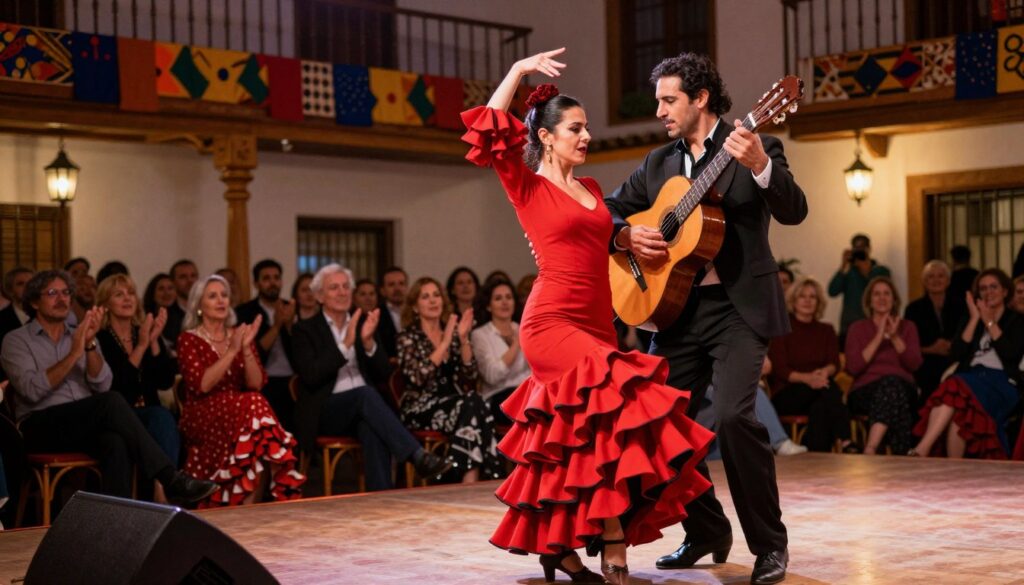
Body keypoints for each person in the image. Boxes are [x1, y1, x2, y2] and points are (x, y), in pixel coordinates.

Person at [464, 49, 716, 585]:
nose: (586, 137)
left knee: (580, 443)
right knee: (618, 404)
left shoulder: (595, 192)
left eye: (586, 129)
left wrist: (630, 238)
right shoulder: (526, 184)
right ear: (548, 137)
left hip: (598, 321)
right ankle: (613, 540)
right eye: (575, 129)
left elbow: (607, 239)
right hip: (551, 324)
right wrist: (515, 74)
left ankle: (558, 550)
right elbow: (489, 130)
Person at [603, 52, 805, 584]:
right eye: (658, 101)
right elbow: (608, 208)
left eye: (669, 100)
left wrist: (761, 163)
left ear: (701, 99)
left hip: (738, 309)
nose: (661, 110)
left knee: (737, 418)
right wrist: (625, 235)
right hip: (676, 312)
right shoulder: (658, 163)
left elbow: (794, 209)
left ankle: (770, 546)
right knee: (656, 425)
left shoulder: (754, 145)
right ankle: (708, 529)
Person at [0, 270, 216, 504]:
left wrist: (90, 345)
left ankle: (116, 522)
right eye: (52, 293)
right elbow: (31, 390)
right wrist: (74, 353)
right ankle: (170, 478)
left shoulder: (83, 334)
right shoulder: (16, 340)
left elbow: (102, 383)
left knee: (116, 441)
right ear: (33, 301)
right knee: (112, 402)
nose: (62, 299)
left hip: (82, 422)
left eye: (66, 293)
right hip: (40, 424)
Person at [291, 264, 451, 491]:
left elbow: (385, 374)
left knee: (371, 425)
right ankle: (417, 456)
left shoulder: (364, 322)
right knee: (366, 395)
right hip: (326, 410)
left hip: (364, 409)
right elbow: (311, 375)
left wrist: (368, 344)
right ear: (319, 296)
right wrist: (345, 345)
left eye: (346, 286)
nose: (342, 292)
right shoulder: (304, 330)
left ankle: (381, 496)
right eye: (334, 288)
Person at [177, 275, 304, 506]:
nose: (221, 300)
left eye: (224, 295)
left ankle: (249, 506)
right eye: (212, 296)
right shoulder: (189, 339)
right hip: (203, 412)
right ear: (198, 305)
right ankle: (276, 476)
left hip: (240, 412)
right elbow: (202, 385)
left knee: (255, 411)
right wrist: (231, 351)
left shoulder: (238, 335)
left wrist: (245, 348)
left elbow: (255, 383)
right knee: (255, 411)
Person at [396, 277, 503, 483]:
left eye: (436, 295)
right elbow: (417, 377)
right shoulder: (407, 337)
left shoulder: (453, 333)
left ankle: (466, 476)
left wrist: (463, 340)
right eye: (425, 297)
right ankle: (484, 476)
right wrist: (444, 342)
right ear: (415, 307)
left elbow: (470, 375)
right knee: (472, 404)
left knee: (474, 401)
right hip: (420, 407)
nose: (433, 301)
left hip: (456, 404)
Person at [911, 269, 1024, 458]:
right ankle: (953, 467)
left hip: (1002, 382)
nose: (989, 292)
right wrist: (974, 319)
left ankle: (922, 448)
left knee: (954, 385)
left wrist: (989, 322)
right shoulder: (970, 319)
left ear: (1005, 291)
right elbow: (956, 354)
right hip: (972, 378)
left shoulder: (1018, 320)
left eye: (993, 287)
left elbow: (1010, 354)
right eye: (983, 288)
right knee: (959, 412)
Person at [95, 274, 180, 500]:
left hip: (150, 412)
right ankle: (164, 489)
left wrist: (153, 342)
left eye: (131, 293)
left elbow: (165, 381)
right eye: (118, 294)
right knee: (161, 416)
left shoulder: (143, 331)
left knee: (162, 417)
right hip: (119, 416)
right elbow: (118, 390)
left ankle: (161, 489)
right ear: (105, 304)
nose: (127, 299)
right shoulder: (100, 339)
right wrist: (141, 346)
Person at [768, 277, 854, 452]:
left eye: (812, 297)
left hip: (819, 388)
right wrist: (809, 379)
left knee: (820, 408)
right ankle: (846, 440)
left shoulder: (827, 330)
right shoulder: (782, 329)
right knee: (829, 390)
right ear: (793, 300)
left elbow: (834, 363)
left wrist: (823, 373)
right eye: (802, 296)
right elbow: (781, 370)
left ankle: (815, 455)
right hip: (787, 391)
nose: (807, 300)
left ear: (818, 302)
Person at [844, 277, 921, 455]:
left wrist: (894, 337)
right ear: (869, 301)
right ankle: (902, 456)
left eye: (887, 293)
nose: (882, 298)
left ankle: (870, 449)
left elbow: (914, 364)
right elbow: (854, 368)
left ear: (894, 299)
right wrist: (879, 336)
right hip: (865, 391)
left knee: (893, 385)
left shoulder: (908, 327)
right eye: (876, 294)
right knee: (893, 391)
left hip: (903, 388)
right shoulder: (857, 328)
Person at [235, 259, 296, 431]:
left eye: (277, 278)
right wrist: (277, 326)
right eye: (266, 278)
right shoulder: (245, 312)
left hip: (292, 378)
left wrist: (290, 326)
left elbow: (300, 352)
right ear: (256, 283)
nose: (273, 283)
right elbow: (254, 353)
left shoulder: (290, 308)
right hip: (262, 381)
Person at [470, 278, 530, 424]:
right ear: (489, 306)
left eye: (508, 297)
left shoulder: (525, 329)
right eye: (498, 298)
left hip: (527, 393)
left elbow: (534, 371)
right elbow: (493, 376)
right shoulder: (480, 335)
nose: (505, 302)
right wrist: (516, 344)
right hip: (498, 397)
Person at [903, 260, 960, 405]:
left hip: (955, 359)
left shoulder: (961, 305)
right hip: (925, 362)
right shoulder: (913, 309)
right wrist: (931, 349)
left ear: (948, 280)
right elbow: (907, 345)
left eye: (940, 276)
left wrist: (953, 345)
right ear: (924, 281)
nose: (936, 280)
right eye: (930, 277)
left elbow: (968, 334)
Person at [828, 234, 890, 346]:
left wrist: (866, 271)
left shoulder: (880, 270)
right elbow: (832, 291)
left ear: (869, 248)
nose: (860, 250)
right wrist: (843, 267)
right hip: (848, 327)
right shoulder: (848, 272)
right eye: (856, 248)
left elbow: (882, 291)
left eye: (863, 247)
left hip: (875, 327)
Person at [0, 268, 33, 380]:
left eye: (31, 283)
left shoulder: (47, 317)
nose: (27, 287)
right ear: (10, 290)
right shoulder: (1, 319)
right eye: (20, 284)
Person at [164, 259, 199, 351]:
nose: (190, 280)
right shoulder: (166, 317)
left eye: (193, 276)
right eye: (183, 277)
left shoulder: (209, 312)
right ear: (173, 282)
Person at [376, 266, 407, 358]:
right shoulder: (376, 316)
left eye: (401, 283)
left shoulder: (418, 313)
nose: (397, 288)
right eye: (391, 284)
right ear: (382, 291)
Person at [947, 245, 979, 314]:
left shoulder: (950, 277)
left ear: (953, 259)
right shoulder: (977, 274)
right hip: (975, 308)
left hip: (953, 310)